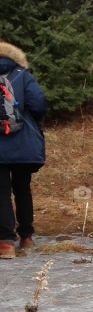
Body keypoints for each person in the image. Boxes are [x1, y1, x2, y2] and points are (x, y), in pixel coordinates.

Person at [0, 41, 48, 259]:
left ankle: (6, 244)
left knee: (1, 193)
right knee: (22, 188)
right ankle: (26, 237)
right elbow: (39, 103)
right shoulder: (22, 74)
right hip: (23, 144)